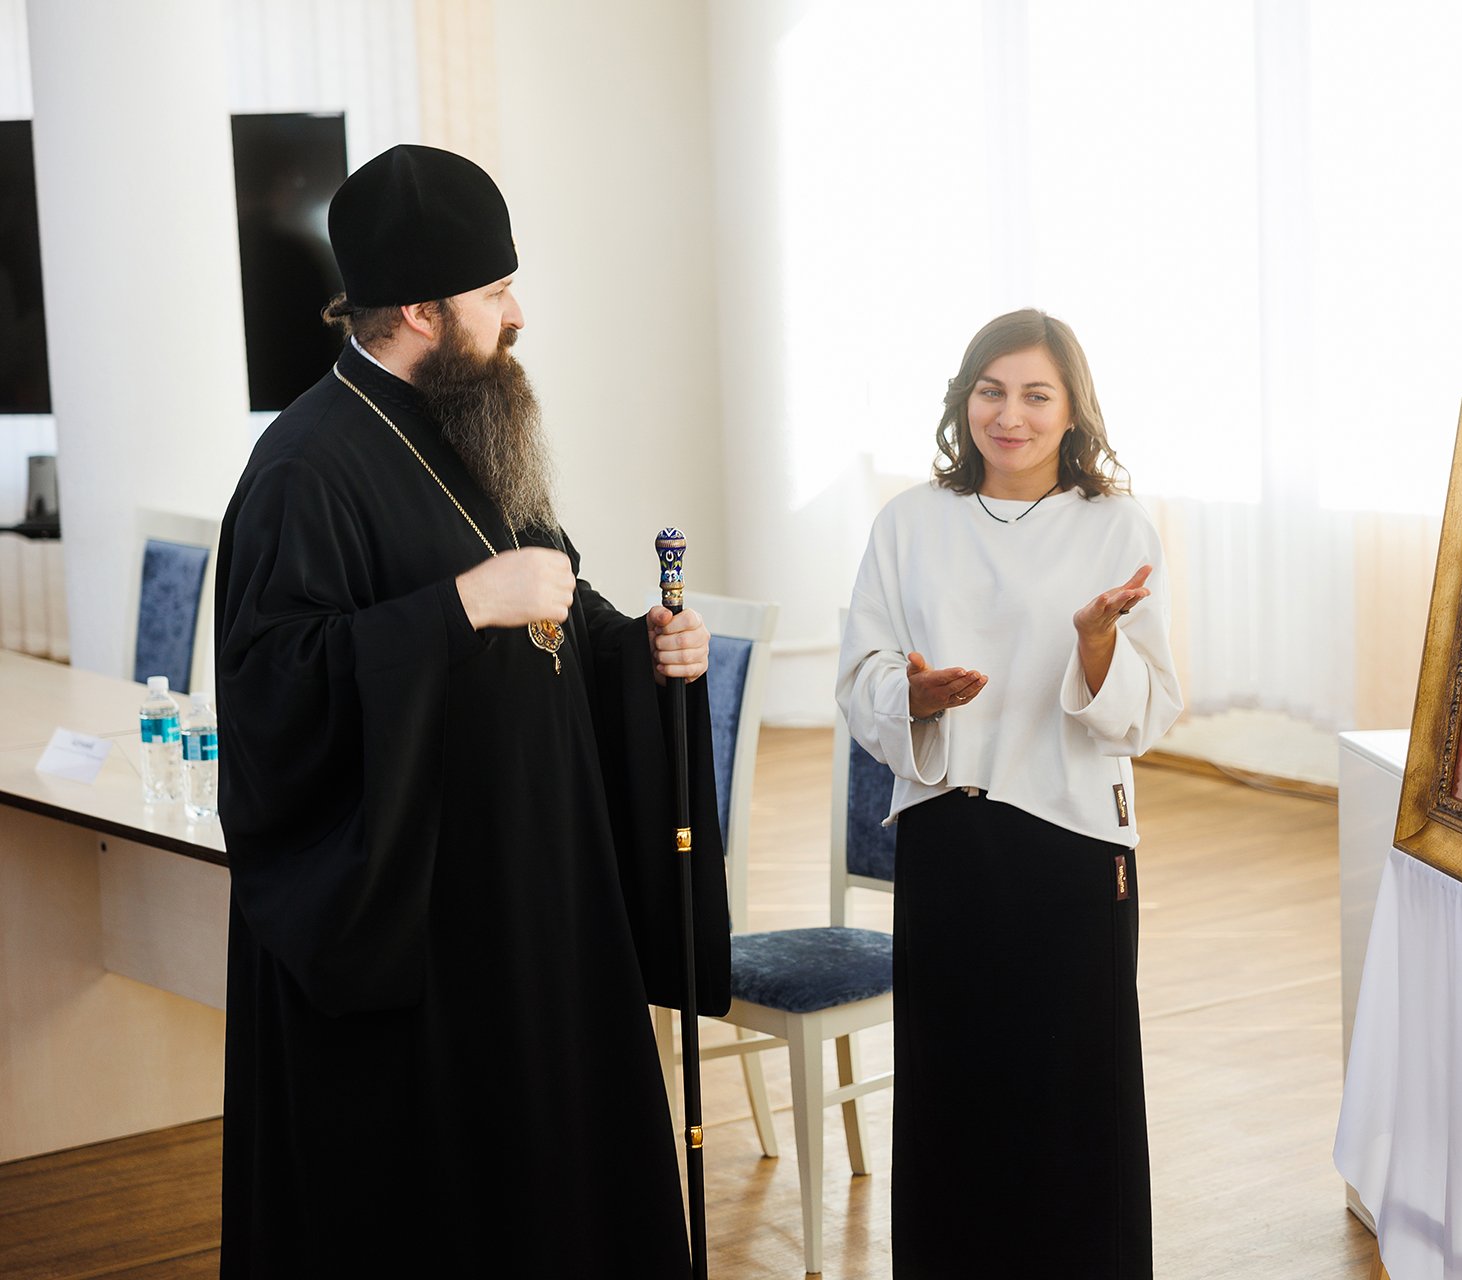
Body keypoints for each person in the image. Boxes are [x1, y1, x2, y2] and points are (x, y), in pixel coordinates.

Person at [215, 144, 729, 1278]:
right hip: (428, 929)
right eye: (495, 291)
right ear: (419, 309)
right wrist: (457, 607)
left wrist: (642, 651)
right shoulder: (304, 466)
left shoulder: (470, 416)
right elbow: (273, 691)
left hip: (537, 890)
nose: (518, 315)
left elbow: (553, 601)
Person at [837, 309, 1182, 1277]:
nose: (1010, 415)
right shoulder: (910, 521)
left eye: (1036, 394)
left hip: (1072, 846)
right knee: (953, 1094)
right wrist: (914, 695)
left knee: (1075, 1098)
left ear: (1073, 410)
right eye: (991, 391)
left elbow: (1148, 713)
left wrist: (1098, 645)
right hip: (949, 841)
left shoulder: (1116, 526)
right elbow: (858, 675)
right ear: (964, 400)